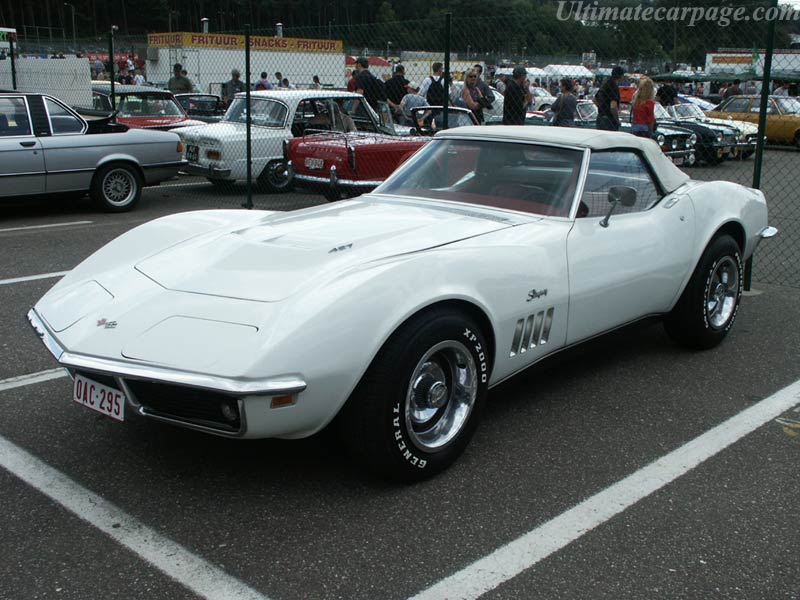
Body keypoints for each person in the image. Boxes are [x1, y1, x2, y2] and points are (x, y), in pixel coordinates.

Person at [595, 65, 623, 131]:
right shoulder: (614, 87)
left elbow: (595, 100)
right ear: (621, 76)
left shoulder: (605, 84)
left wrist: (602, 107)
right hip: (609, 120)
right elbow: (613, 106)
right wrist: (617, 120)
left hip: (600, 117)